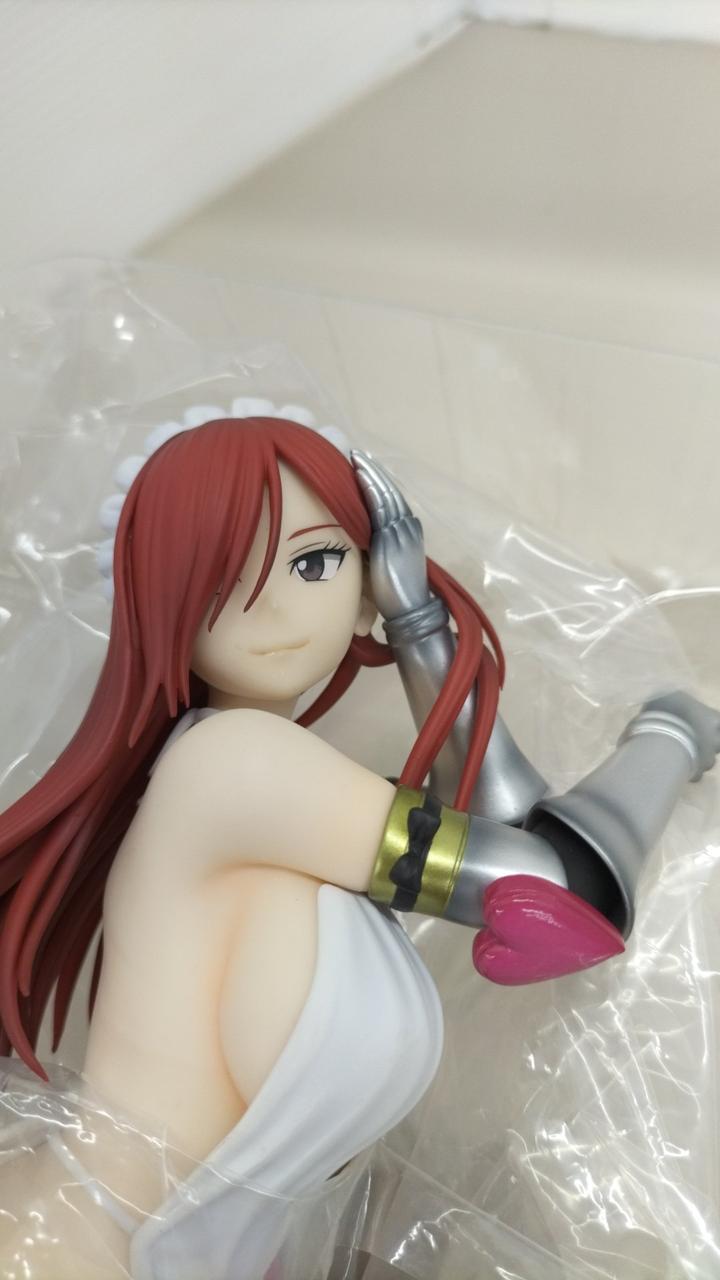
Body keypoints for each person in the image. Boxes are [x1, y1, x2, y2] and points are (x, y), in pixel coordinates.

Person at [0, 411, 716, 1280]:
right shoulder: (239, 766)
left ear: (364, 575)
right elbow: (562, 885)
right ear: (164, 599)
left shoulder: (244, 781)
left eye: (313, 563)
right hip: (72, 1251)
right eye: (220, 574)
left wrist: (411, 615)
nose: (272, 610)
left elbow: (510, 834)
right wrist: (671, 733)